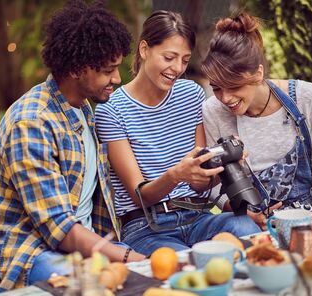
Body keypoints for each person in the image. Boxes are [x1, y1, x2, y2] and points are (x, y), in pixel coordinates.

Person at [0, 0, 145, 292]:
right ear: (76, 68)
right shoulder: (31, 123)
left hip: (84, 245)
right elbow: (59, 228)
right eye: (108, 70)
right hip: (36, 254)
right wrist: (126, 257)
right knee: (109, 285)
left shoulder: (82, 108)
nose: (117, 78)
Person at [95, 10, 260, 257]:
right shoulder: (111, 111)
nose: (177, 68)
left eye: (184, 60)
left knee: (248, 230)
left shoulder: (191, 94)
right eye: (169, 57)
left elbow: (199, 183)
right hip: (147, 227)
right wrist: (174, 175)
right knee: (184, 264)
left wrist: (222, 165)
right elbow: (140, 195)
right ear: (144, 49)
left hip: (198, 216)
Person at [201, 12, 312, 230]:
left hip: (310, 222)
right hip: (253, 229)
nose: (225, 98)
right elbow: (213, 185)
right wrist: (243, 214)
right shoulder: (213, 110)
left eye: (235, 86)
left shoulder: (306, 97)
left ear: (258, 73)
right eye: (216, 88)